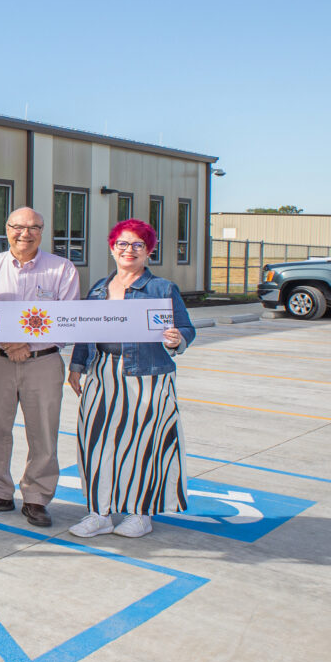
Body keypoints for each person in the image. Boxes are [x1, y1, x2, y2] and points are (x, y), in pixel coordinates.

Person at [65, 219, 195, 539]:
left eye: (138, 244)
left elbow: (186, 329)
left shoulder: (162, 289)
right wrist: (77, 366)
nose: (129, 250)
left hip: (148, 376)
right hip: (102, 371)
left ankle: (140, 514)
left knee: (143, 445)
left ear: (149, 251)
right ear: (112, 249)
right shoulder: (97, 289)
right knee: (96, 442)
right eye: (123, 244)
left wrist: (177, 338)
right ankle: (100, 513)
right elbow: (86, 332)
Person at [0, 206, 81, 528]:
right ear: (7, 229)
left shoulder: (62, 270)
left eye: (33, 227)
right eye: (18, 227)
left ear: (42, 232)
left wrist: (24, 343)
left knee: (43, 431)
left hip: (43, 362)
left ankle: (36, 497)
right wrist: (9, 342)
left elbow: (67, 319)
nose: (25, 233)